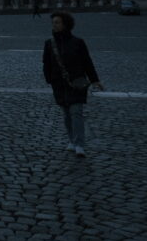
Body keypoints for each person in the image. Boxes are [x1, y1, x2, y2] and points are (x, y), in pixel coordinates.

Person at [42, 11, 104, 157]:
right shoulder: (49, 43)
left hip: (76, 82)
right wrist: (49, 79)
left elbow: (87, 62)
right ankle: (71, 140)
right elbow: (46, 63)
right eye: (53, 22)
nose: (54, 25)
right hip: (59, 84)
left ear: (66, 24)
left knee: (76, 112)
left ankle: (79, 144)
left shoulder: (78, 42)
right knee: (66, 114)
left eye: (57, 22)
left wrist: (95, 80)